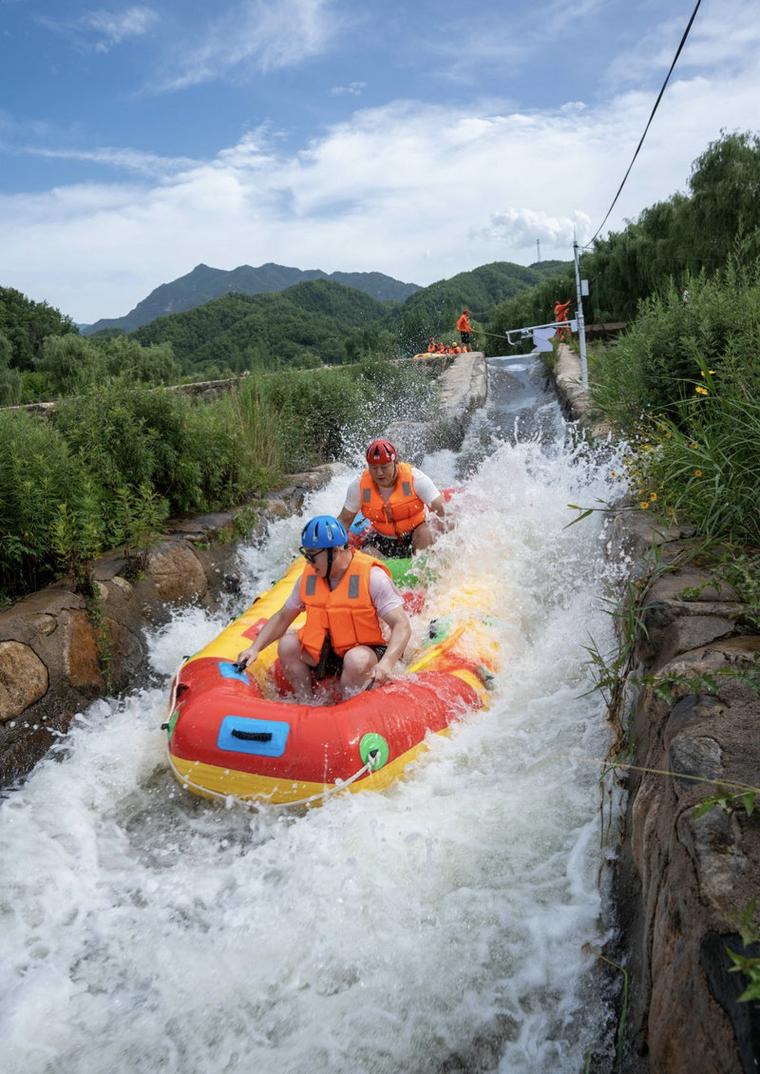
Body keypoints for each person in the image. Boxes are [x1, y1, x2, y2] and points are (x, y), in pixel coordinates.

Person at [237, 515, 411, 700]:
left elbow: (402, 625)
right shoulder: (308, 578)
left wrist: (387, 663)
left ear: (335, 551)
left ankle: (348, 705)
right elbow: (283, 617)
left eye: (312, 556)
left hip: (365, 652)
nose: (308, 562)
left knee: (356, 660)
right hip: (329, 650)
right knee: (287, 644)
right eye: (306, 555)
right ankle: (307, 702)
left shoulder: (373, 577)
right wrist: (254, 649)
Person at [337, 438, 446, 558]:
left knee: (426, 532)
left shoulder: (416, 479)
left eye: (384, 467)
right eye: (374, 467)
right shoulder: (358, 486)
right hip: (381, 537)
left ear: (396, 463)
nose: (379, 473)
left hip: (415, 534)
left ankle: (422, 567)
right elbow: (344, 521)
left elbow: (445, 513)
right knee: (366, 555)